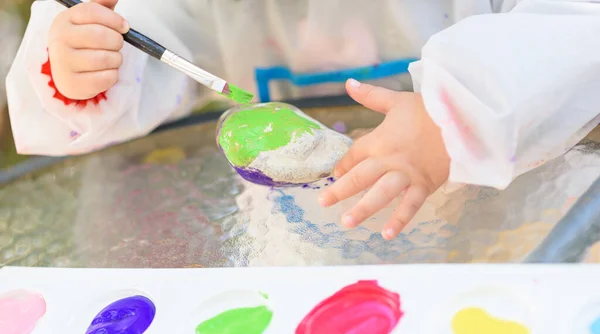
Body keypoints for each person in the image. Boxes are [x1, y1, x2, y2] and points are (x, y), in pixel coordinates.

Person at [6, 0, 600, 240]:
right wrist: (79, 64)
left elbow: (576, 28)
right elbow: (149, 45)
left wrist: (459, 112)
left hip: (505, 225)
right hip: (314, 250)